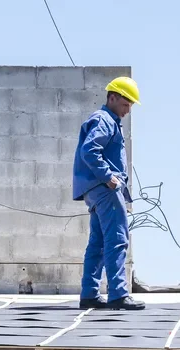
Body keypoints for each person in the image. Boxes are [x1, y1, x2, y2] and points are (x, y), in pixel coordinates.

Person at [73, 76, 145, 311]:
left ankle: (90, 294)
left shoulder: (108, 120)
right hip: (105, 189)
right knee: (117, 239)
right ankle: (118, 294)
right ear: (112, 98)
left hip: (94, 190)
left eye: (131, 106)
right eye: (125, 104)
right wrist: (109, 177)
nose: (127, 110)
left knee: (98, 243)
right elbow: (90, 150)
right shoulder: (104, 120)